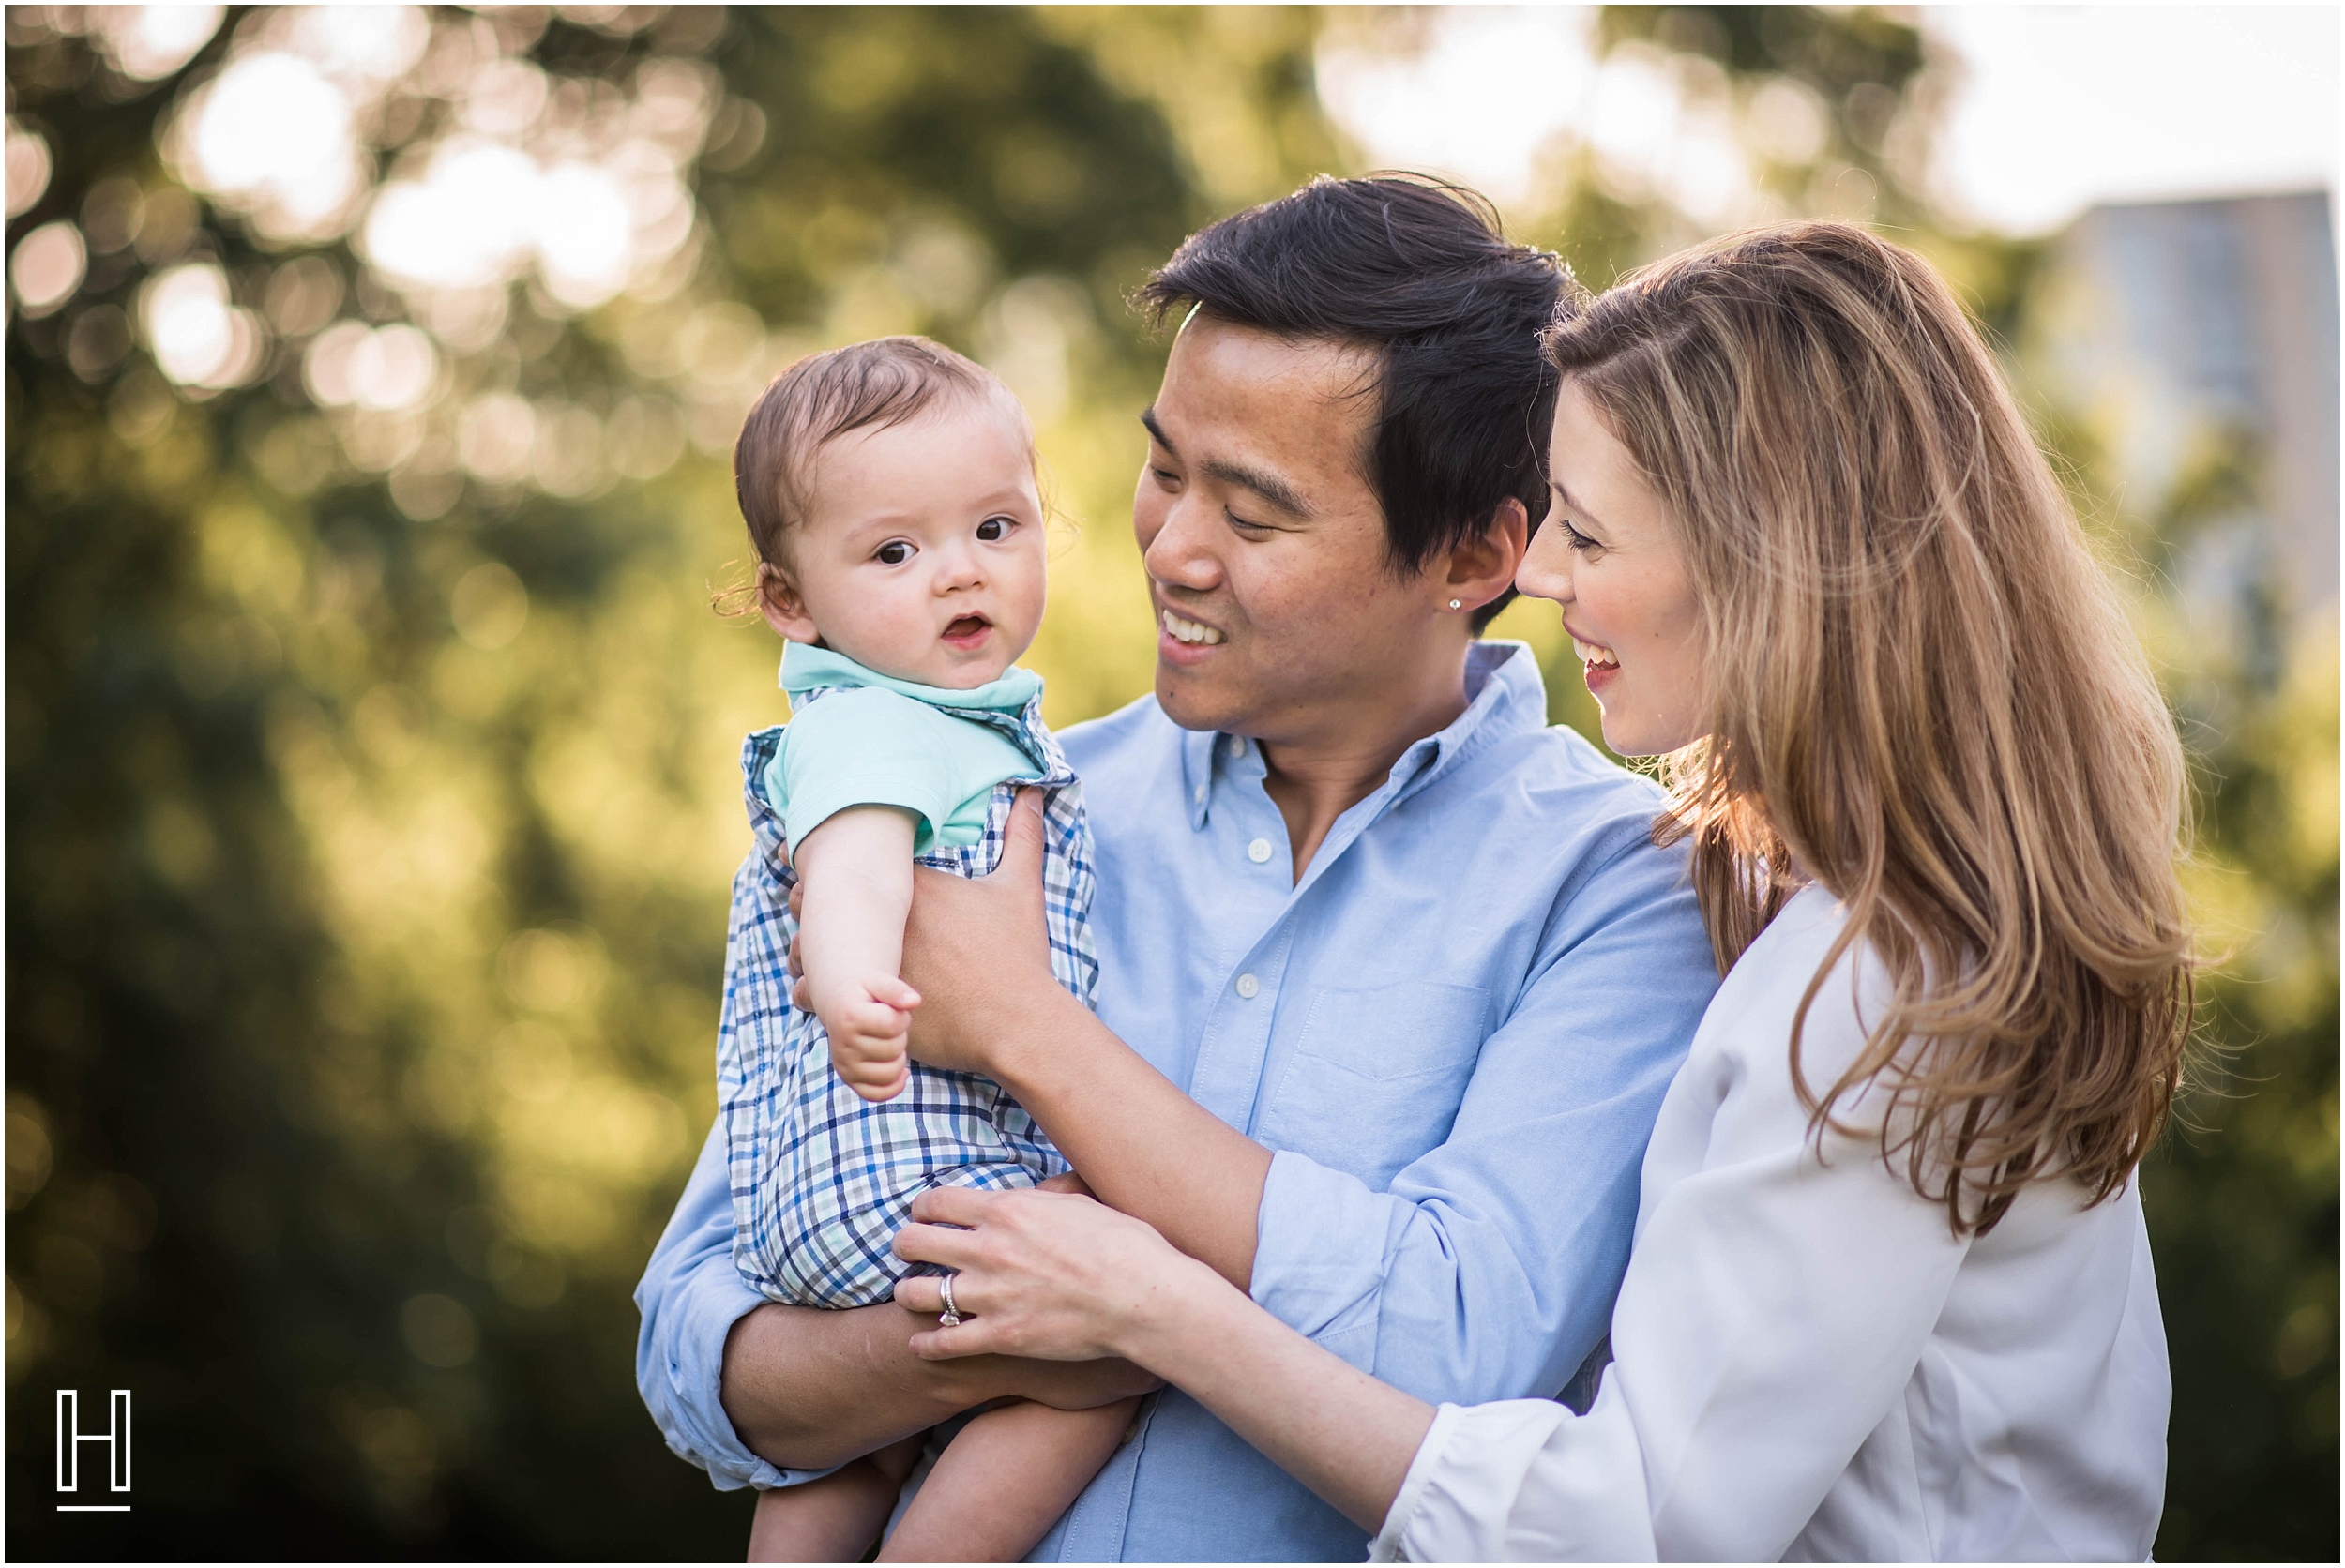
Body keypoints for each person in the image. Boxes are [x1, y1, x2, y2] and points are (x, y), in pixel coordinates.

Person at [885, 222, 2187, 1561]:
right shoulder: (1838, 929)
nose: (1544, 575)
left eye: (1590, 532)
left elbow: (1628, 1531)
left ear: (1768, 565)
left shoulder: (1870, 982)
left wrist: (1154, 1306)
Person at [635, 175, 1721, 1560]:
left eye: (1255, 516)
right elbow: (695, 1340)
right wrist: (1011, 1343)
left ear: (1473, 553)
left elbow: (1465, 1342)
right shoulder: (993, 801)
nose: (1172, 550)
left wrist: (1022, 1028)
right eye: (1164, 470)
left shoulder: (1618, 885)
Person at [715, 336, 1138, 1561]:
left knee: (850, 1438)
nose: (960, 574)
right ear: (792, 601)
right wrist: (853, 984)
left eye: (997, 529)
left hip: (833, 1199)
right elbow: (850, 862)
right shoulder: (883, 728)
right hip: (916, 1173)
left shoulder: (947, 721)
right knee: (1112, 1351)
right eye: (896, 553)